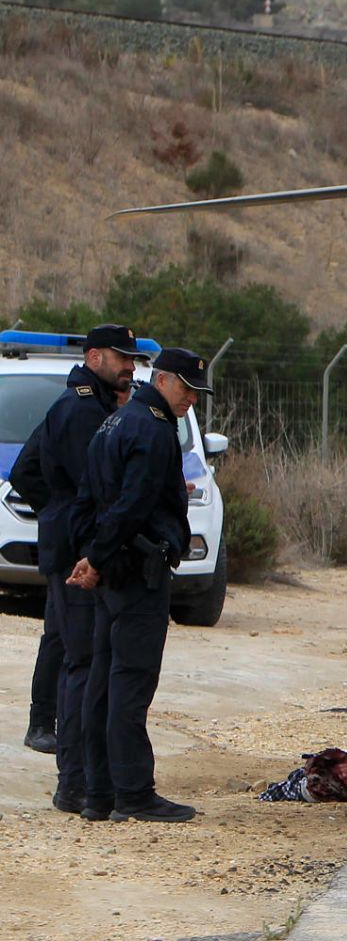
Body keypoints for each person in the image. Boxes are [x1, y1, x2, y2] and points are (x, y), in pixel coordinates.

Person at [66, 348, 214, 823]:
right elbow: (132, 505)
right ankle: (132, 792)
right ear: (165, 381)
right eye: (188, 388)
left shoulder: (116, 421)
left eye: (197, 391)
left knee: (104, 686)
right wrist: (96, 556)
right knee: (129, 685)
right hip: (136, 572)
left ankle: (97, 793)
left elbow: (87, 496)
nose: (193, 398)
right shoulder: (151, 428)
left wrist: (90, 554)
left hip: (114, 571)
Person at [9, 325, 147, 815]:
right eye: (120, 356)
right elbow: (83, 486)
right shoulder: (80, 411)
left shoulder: (97, 407)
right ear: (94, 357)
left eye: (132, 357)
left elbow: (27, 470)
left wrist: (57, 515)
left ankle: (82, 778)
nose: (130, 365)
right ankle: (75, 782)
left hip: (76, 551)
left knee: (76, 656)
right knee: (82, 663)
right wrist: (65, 520)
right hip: (78, 557)